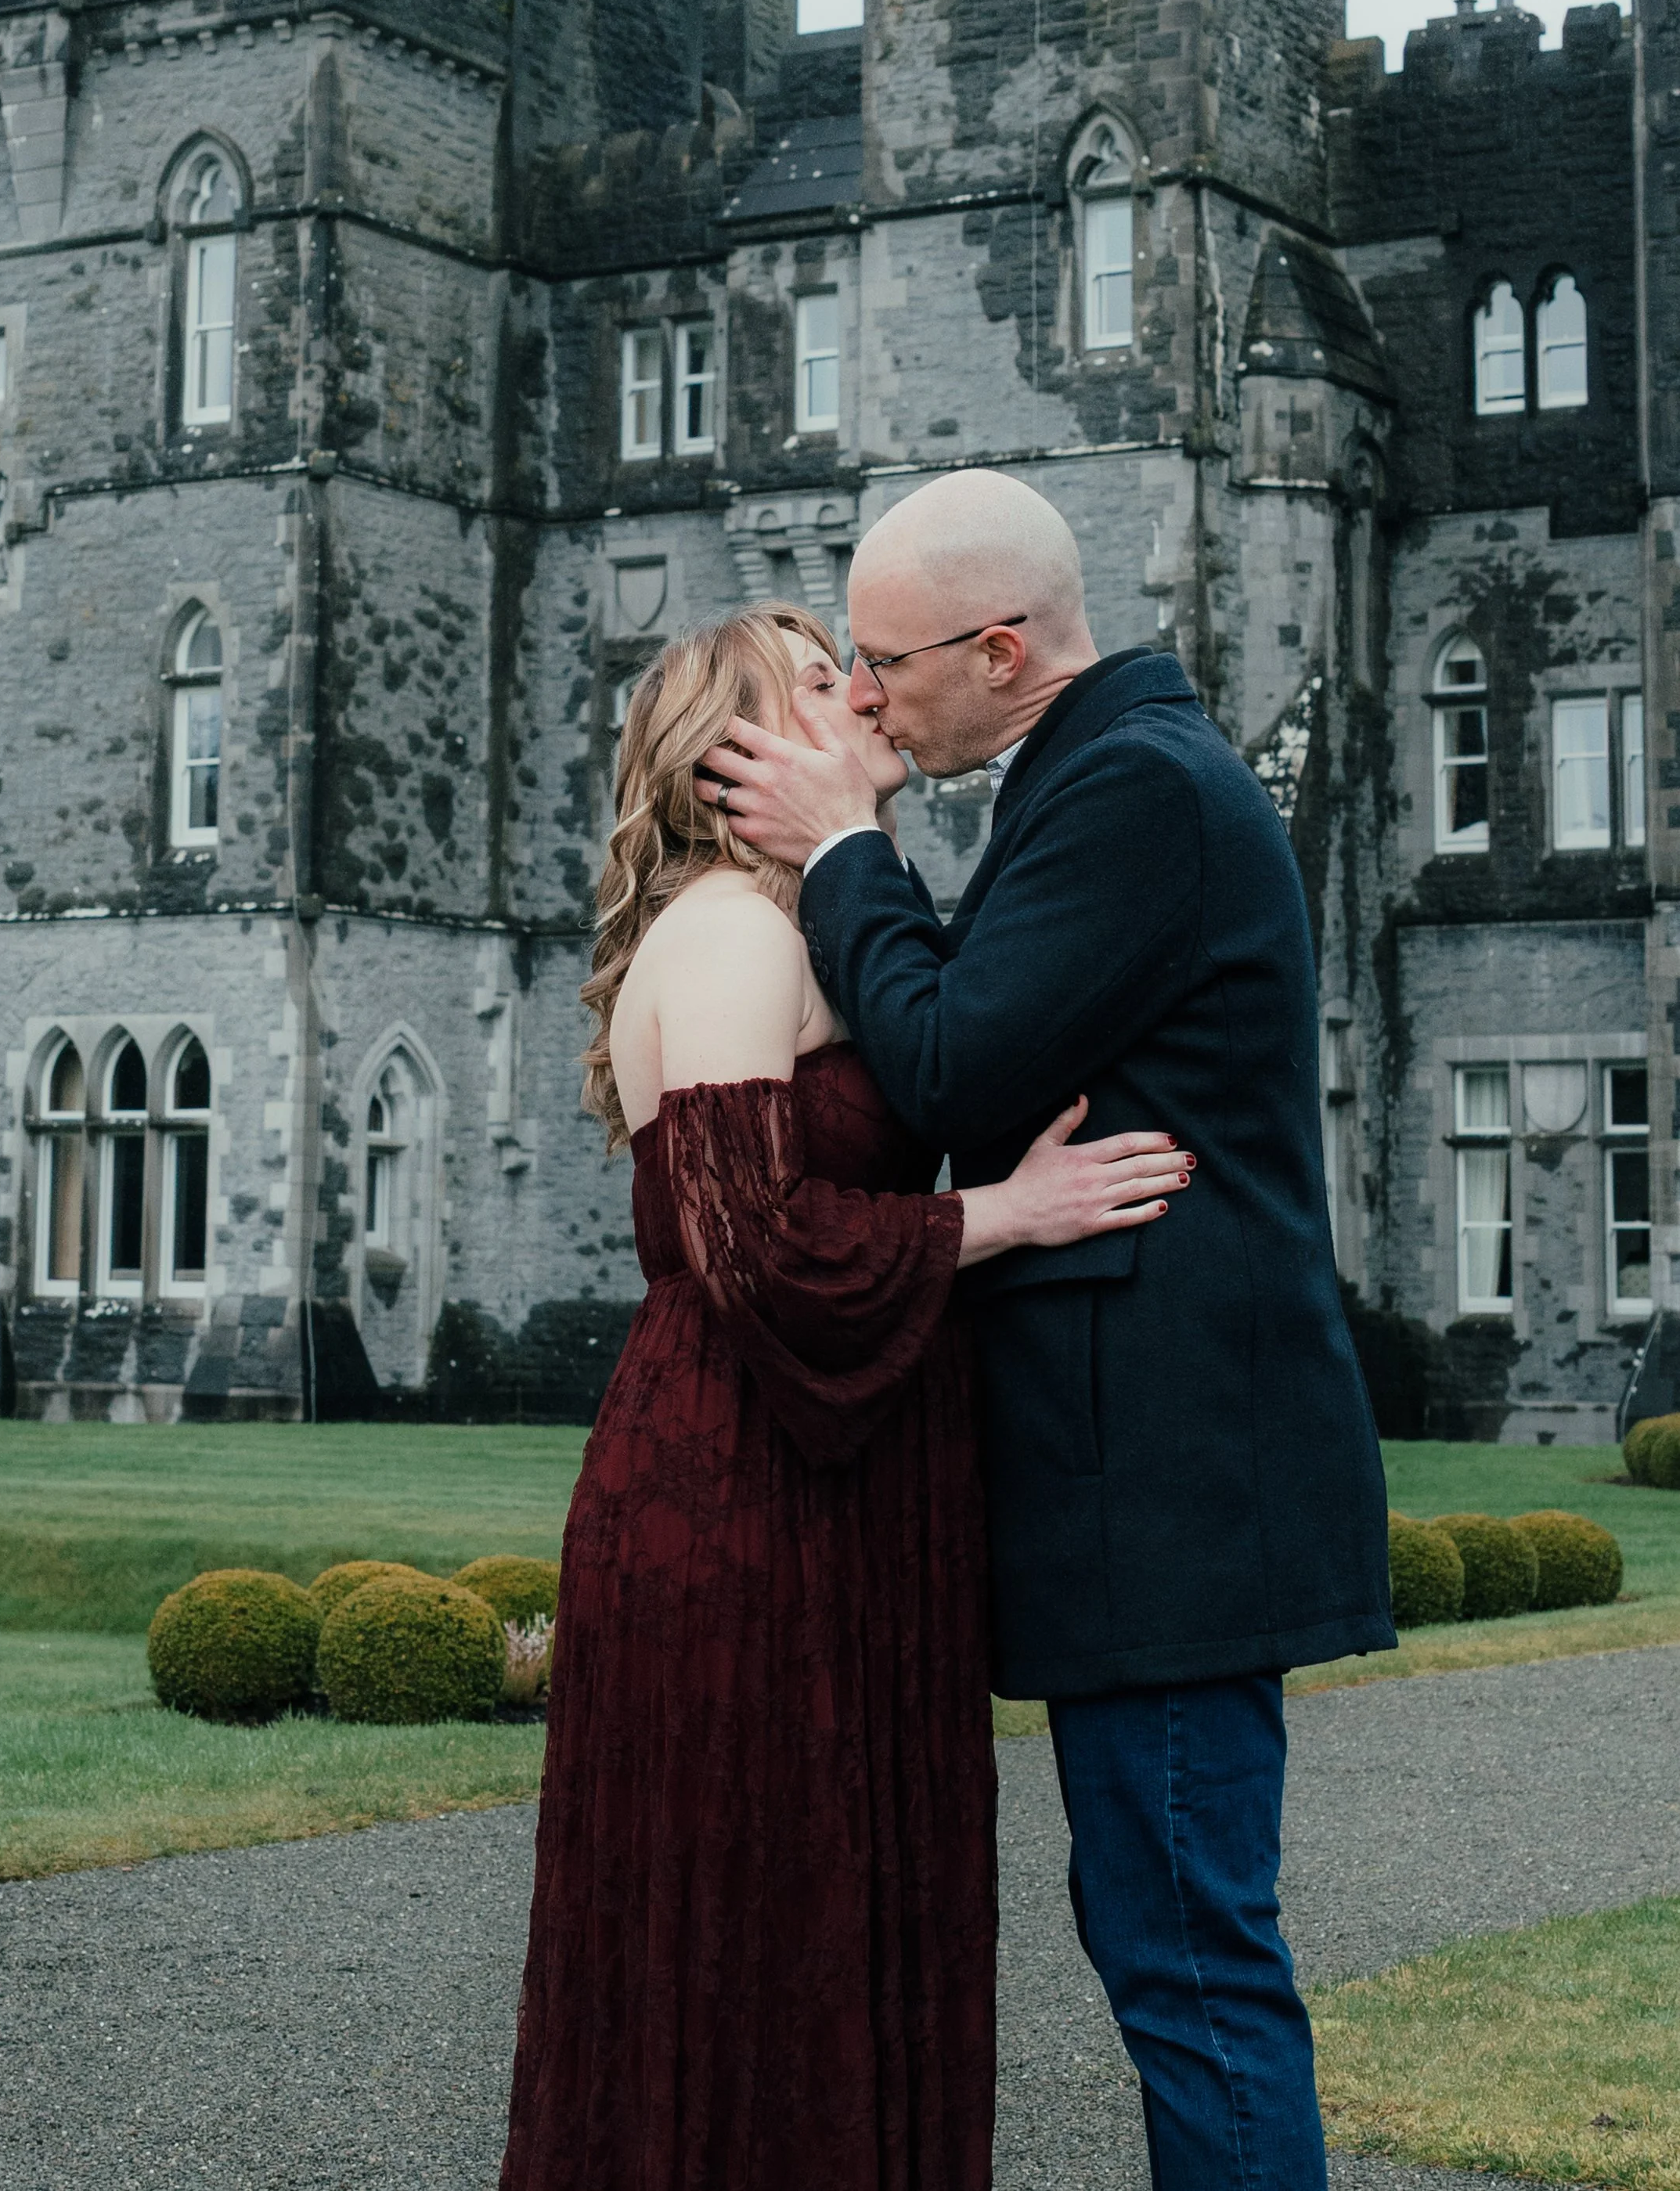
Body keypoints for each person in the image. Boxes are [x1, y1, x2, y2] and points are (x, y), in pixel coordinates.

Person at [698, 477, 1394, 2191]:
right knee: (1163, 1936)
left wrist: (847, 846)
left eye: (879, 664)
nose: (859, 698)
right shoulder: (1094, 772)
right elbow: (974, 1023)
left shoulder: (1137, 789)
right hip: (1145, 1484)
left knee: (1189, 1960)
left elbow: (946, 1068)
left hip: (1163, 1491)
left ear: (999, 649)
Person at [500, 601, 1189, 2191]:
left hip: (840, 1474)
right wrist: (1004, 1211)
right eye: (821, 679)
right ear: (736, 751)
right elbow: (749, 1244)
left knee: (831, 1907)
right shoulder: (737, 932)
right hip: (743, 1484)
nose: (864, 689)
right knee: (759, 1916)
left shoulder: (807, 917)